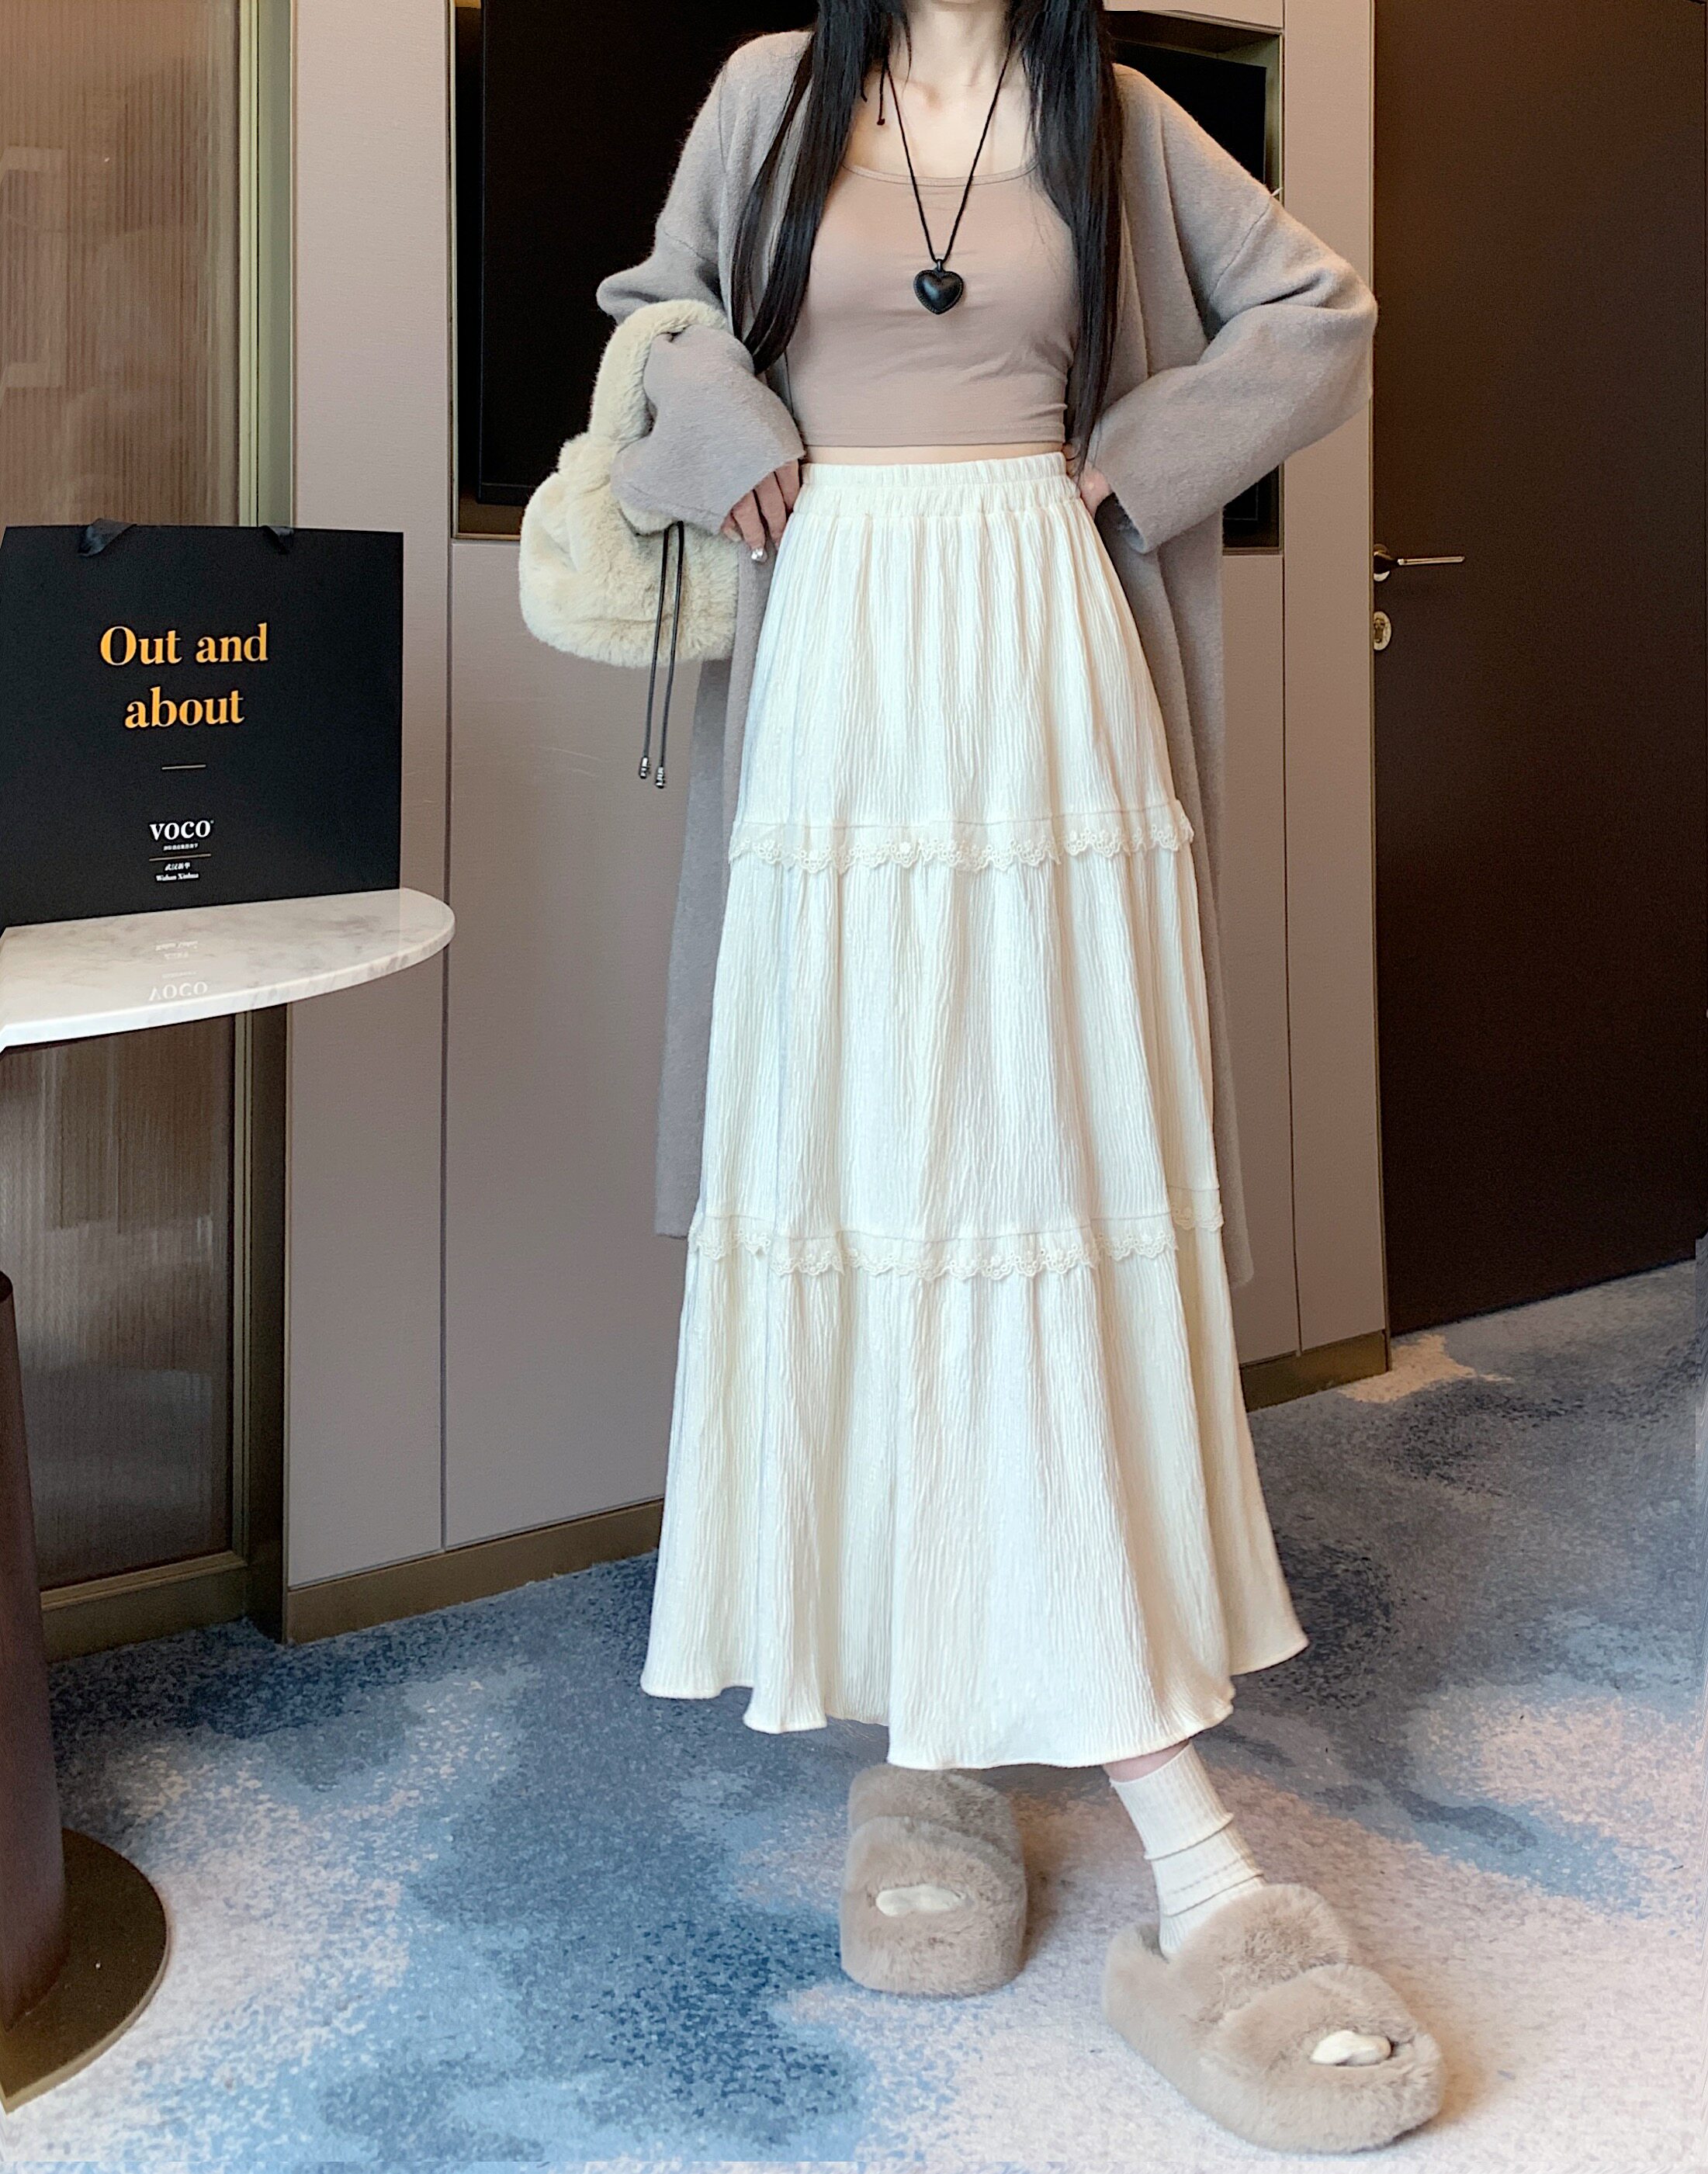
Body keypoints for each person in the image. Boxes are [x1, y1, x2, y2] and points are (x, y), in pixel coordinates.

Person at [539, 1, 1443, 2151]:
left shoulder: (1108, 108)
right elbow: (660, 303)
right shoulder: (772, 89)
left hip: (1041, 637)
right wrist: (717, 402)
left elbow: (1317, 313)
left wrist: (1133, 461)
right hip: (836, 644)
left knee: (1040, 1174)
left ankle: (1140, 1812)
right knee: (874, 1172)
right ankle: (931, 1744)